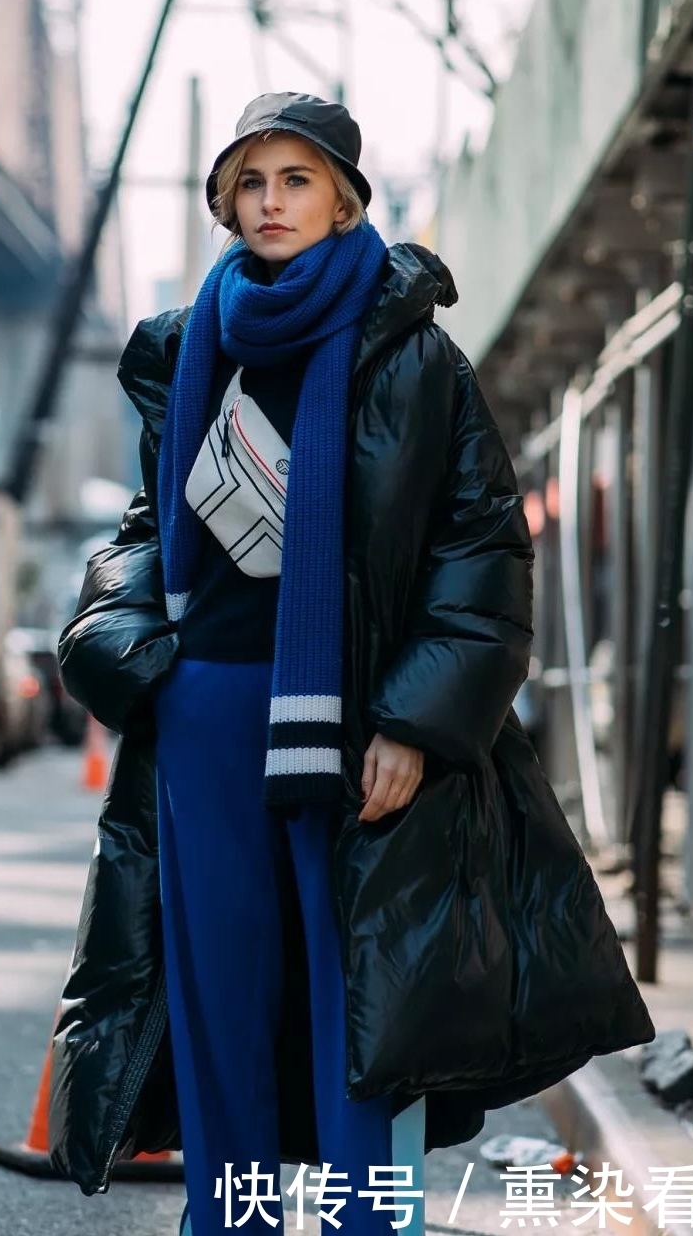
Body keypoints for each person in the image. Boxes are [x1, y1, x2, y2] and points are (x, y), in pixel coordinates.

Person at [52, 93, 654, 1232]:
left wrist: (416, 724)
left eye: (295, 180)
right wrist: (125, 646)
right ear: (226, 202)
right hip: (206, 712)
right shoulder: (187, 349)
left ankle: (366, 1222)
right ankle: (223, 1219)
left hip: (350, 717)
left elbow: (481, 552)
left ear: (342, 201)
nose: (270, 202)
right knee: (216, 995)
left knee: (355, 1000)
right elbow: (147, 527)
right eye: (251, 182)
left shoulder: (412, 358)